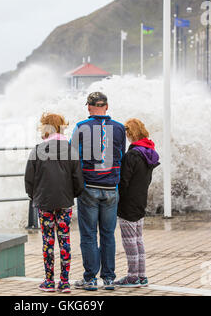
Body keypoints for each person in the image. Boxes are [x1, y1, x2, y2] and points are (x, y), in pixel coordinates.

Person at [70, 92, 126, 291]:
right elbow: (122, 156)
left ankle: (90, 279)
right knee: (108, 235)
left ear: (89, 107)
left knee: (88, 235)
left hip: (89, 188)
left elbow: (71, 156)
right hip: (111, 188)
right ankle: (109, 279)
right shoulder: (120, 128)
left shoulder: (81, 127)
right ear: (107, 107)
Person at [24, 113, 84, 293]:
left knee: (48, 241)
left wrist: (34, 196)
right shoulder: (70, 150)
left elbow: (29, 179)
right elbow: (78, 180)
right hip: (64, 202)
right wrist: (71, 195)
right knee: (64, 240)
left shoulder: (38, 149)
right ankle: (64, 282)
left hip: (44, 203)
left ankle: (49, 282)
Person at [114, 118, 160, 288]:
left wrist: (118, 199)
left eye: (127, 133)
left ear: (131, 133)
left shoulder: (132, 154)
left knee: (129, 241)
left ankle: (132, 277)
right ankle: (142, 275)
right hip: (141, 200)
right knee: (138, 239)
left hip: (128, 203)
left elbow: (123, 181)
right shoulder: (148, 152)